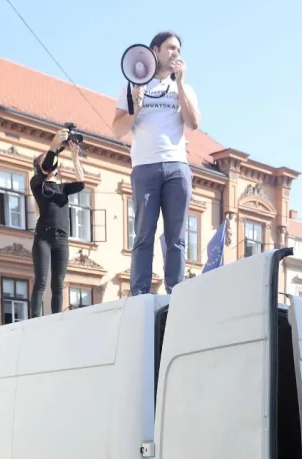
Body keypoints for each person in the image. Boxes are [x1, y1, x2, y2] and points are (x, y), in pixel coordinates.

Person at [113, 32, 200, 295]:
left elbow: (193, 122)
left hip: (176, 166)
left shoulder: (183, 88)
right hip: (145, 167)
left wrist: (182, 84)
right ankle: (139, 294)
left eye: (179, 49)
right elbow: (118, 129)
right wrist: (135, 106)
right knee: (143, 235)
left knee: (176, 238)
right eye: (170, 47)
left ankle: (176, 293)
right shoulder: (132, 86)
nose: (176, 53)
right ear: (155, 50)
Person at [29, 129, 85, 318]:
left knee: (58, 284)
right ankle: (34, 319)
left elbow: (81, 183)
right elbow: (45, 168)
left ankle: (56, 319)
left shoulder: (62, 188)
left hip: (61, 238)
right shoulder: (37, 183)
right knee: (41, 281)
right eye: (46, 161)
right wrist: (53, 147)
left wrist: (75, 157)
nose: (50, 162)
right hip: (43, 237)